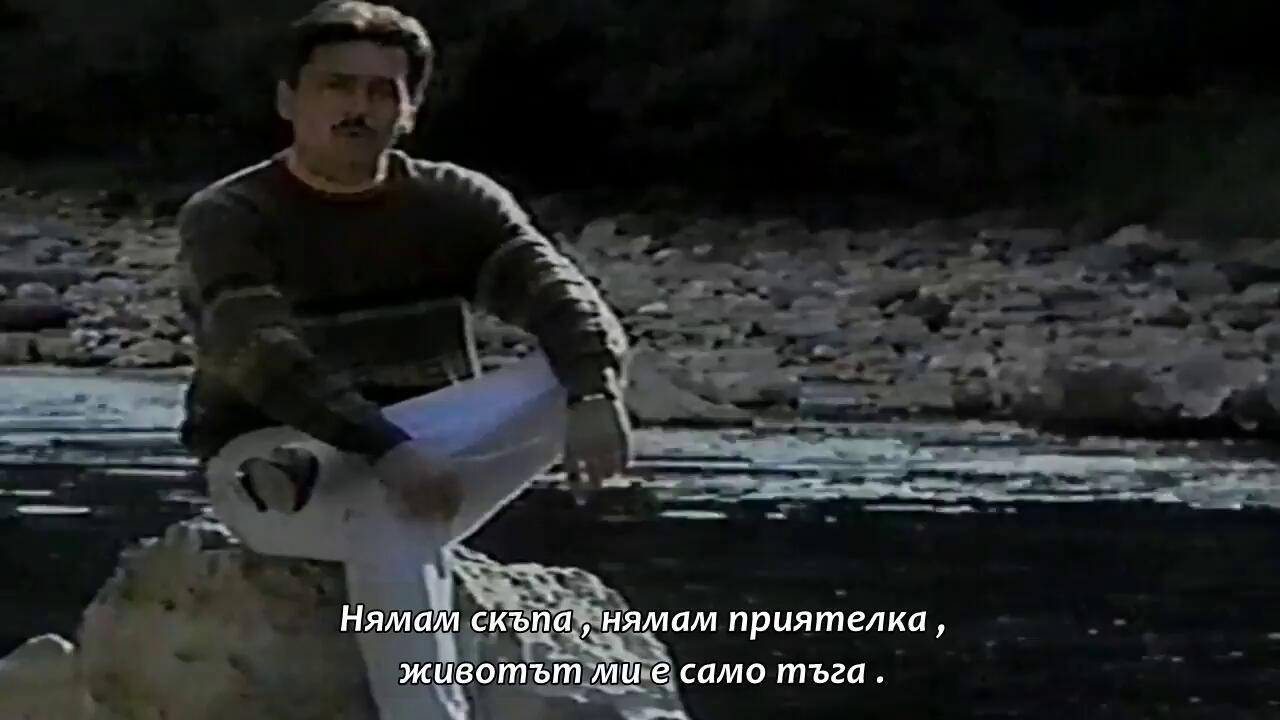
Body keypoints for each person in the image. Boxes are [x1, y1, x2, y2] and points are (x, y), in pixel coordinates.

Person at [174, 1, 633, 717]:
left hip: (429, 455)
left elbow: (560, 295)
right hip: (272, 465)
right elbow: (261, 355)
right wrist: (384, 447)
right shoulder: (230, 215)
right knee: (388, 510)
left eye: (381, 91)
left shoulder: (452, 201)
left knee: (564, 369)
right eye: (336, 86)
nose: (358, 108)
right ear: (289, 99)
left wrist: (594, 392)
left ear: (410, 110)